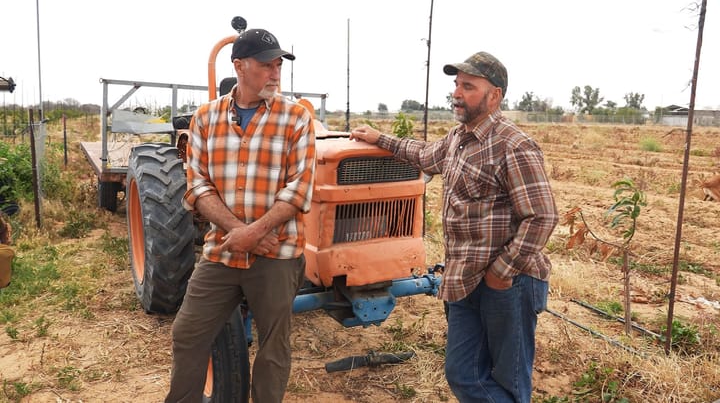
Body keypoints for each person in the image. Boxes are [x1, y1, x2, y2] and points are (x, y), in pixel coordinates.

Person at [349, 51, 558, 403]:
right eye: (457, 85)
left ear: (495, 96)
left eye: (469, 86)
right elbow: (424, 155)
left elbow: (542, 216)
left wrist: (502, 272)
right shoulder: (459, 138)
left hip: (509, 284)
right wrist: (379, 139)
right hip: (464, 279)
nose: (457, 93)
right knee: (462, 373)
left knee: (509, 380)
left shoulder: (514, 145)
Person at [165, 28, 316, 403]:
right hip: (223, 250)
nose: (275, 73)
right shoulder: (205, 119)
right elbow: (198, 185)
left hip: (277, 253)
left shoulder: (297, 118)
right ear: (240, 66)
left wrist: (259, 231)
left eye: (278, 65)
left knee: (273, 347)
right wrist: (241, 231)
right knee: (187, 332)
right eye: (267, 65)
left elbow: (299, 189)